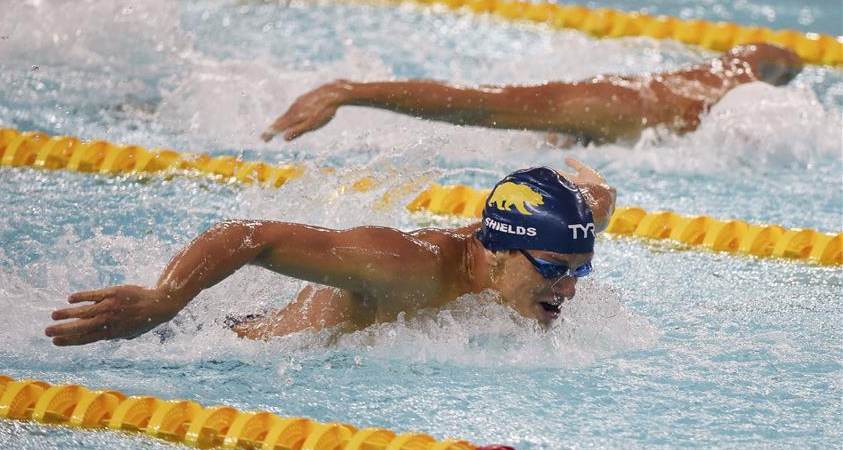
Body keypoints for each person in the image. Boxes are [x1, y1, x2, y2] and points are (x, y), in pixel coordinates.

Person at [45, 158, 616, 346]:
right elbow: (250, 236)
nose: (568, 289)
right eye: (554, 270)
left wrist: (596, 191)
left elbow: (594, 202)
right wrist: (164, 299)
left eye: (579, 269)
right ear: (498, 252)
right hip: (227, 346)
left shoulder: (556, 233)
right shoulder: (408, 266)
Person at [261, 43, 803, 145]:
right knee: (501, 107)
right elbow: (475, 102)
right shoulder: (628, 109)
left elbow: (782, 55)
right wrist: (351, 92)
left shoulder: (738, 69)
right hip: (610, 107)